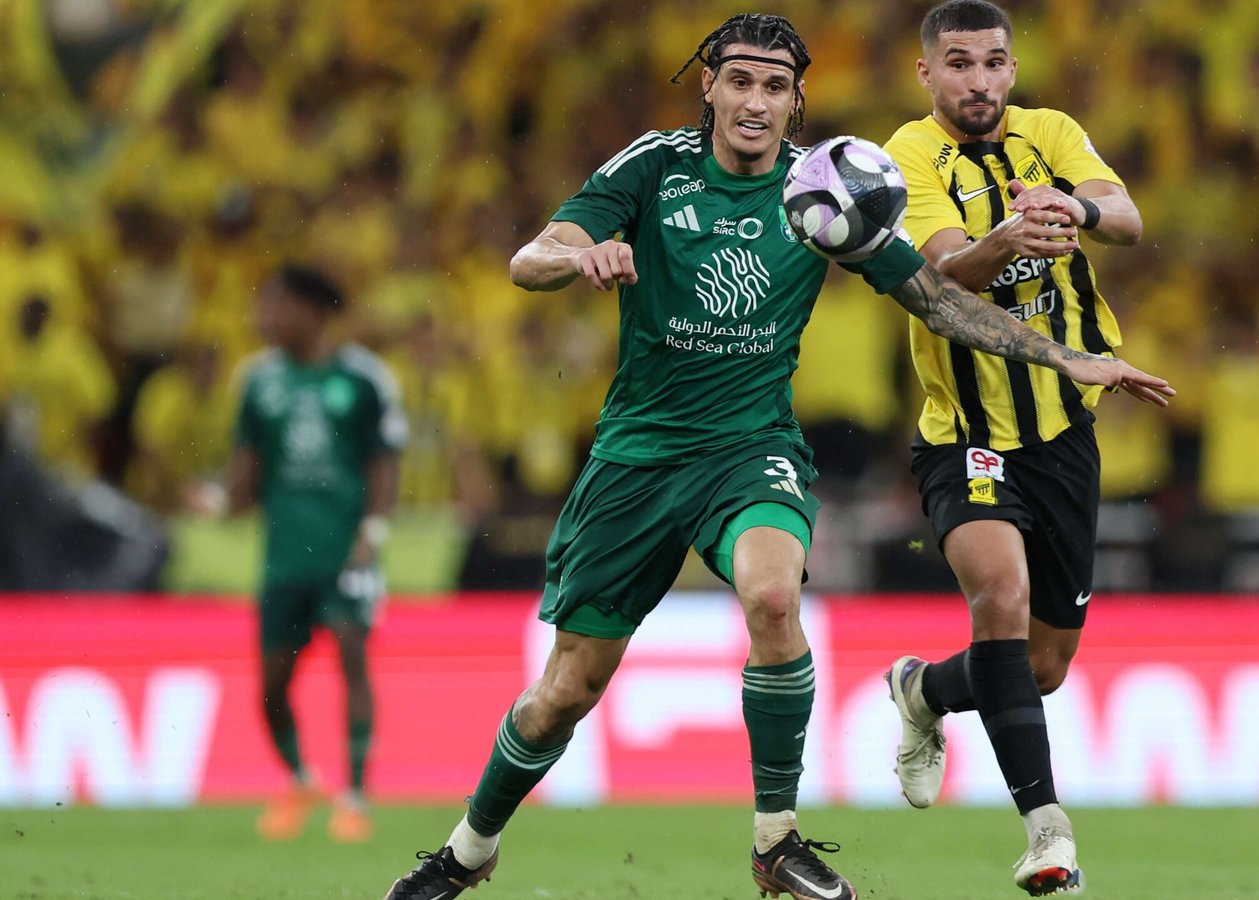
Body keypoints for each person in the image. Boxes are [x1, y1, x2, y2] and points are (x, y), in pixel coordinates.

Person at [381, 13, 1170, 900]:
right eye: (740, 81)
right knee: (565, 691)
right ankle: (469, 850)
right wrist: (581, 257)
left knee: (770, 594)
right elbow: (530, 258)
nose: (755, 102)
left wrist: (1066, 357)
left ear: (796, 102)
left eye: (775, 86)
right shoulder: (654, 167)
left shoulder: (821, 191)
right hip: (639, 457)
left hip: (751, 450)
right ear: (709, 87)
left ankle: (776, 840)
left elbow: (936, 300)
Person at [879, 1, 1164, 894]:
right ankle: (1048, 832)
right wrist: (1006, 240)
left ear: (1012, 66)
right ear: (927, 72)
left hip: (1062, 435)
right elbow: (939, 278)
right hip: (965, 434)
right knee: (998, 595)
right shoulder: (907, 155)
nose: (980, 80)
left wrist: (1073, 205)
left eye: (994, 62)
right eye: (959, 63)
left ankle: (925, 691)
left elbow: (1127, 220)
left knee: (1042, 667)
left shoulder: (1053, 133)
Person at [193, 264, 406, 844]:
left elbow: (383, 462)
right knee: (271, 684)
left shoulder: (363, 379)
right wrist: (218, 500)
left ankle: (355, 796)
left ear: (312, 312)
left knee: (352, 655)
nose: (264, 316)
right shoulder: (258, 382)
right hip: (285, 556)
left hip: (346, 550)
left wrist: (374, 529)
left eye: (277, 304)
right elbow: (246, 471)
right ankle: (301, 778)